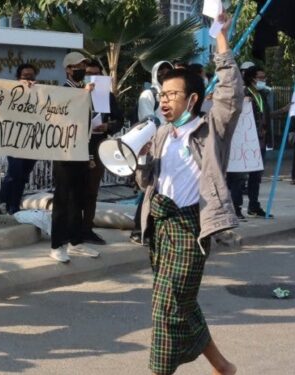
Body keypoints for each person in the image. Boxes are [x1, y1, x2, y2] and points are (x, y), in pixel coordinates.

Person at [135, 15, 239, 375]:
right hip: (160, 229)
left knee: (166, 306)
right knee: (184, 304)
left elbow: (230, 91)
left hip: (189, 229)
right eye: (161, 95)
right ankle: (223, 366)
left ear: (193, 98)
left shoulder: (212, 129)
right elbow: (147, 183)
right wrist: (139, 158)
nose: (164, 101)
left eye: (172, 94)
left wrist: (221, 36)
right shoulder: (162, 133)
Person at [48, 51, 100, 263]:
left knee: (79, 197)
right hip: (64, 152)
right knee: (63, 198)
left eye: (84, 66)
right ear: (68, 69)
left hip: (81, 151)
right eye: (77, 66)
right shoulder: (64, 91)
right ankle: (57, 244)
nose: (82, 70)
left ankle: (75, 241)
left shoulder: (83, 91)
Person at [82, 60, 124, 245]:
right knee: (73, 191)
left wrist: (108, 126)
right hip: (75, 148)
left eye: (96, 74)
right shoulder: (73, 93)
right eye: (88, 73)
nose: (92, 77)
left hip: (97, 147)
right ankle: (71, 227)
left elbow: (119, 120)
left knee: (91, 191)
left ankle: (87, 228)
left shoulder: (106, 96)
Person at [132, 60, 174, 246]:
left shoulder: (173, 95)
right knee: (148, 189)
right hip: (152, 148)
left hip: (171, 146)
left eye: (168, 71)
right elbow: (147, 120)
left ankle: (152, 229)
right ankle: (138, 230)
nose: (165, 74)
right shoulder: (149, 94)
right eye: (162, 71)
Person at [226, 66, 272, 219]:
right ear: (252, 78)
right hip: (244, 143)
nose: (263, 80)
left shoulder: (261, 94)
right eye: (260, 77)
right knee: (239, 177)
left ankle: (254, 205)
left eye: (264, 77)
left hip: (260, 142)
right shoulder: (243, 93)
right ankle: (236, 207)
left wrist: (284, 110)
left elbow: (264, 114)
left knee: (256, 176)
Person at [0, 63, 39, 215]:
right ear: (18, 78)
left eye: (31, 77)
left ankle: (5, 201)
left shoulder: (40, 94)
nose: (28, 80)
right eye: (25, 77)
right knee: (16, 171)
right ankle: (11, 204)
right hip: (14, 139)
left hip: (32, 140)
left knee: (23, 174)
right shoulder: (10, 93)